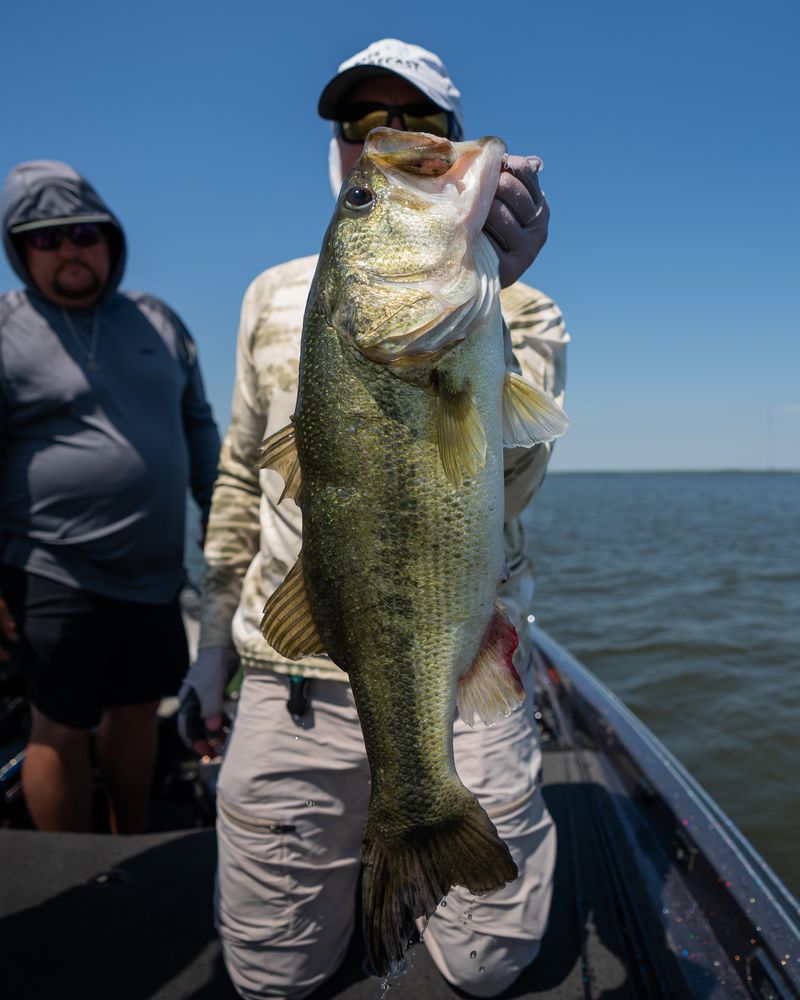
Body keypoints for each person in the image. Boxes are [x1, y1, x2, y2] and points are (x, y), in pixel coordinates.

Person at [179, 39, 569, 999]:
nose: (387, 141)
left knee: (486, 968)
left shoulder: (526, 306)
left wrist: (503, 292)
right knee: (271, 981)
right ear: (338, 154)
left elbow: (513, 480)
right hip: (289, 678)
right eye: (361, 130)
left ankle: (417, 811)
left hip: (461, 649)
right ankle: (388, 837)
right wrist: (207, 647)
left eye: (418, 125)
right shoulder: (270, 295)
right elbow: (238, 474)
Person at [0, 160, 221, 834]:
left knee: (136, 710)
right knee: (57, 725)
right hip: (52, 572)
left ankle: (128, 838)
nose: (69, 247)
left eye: (84, 231)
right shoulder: (7, 329)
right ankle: (69, 867)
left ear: (111, 239)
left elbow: (198, 425)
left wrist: (224, 516)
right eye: (46, 238)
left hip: (155, 578)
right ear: (20, 249)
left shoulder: (158, 321)